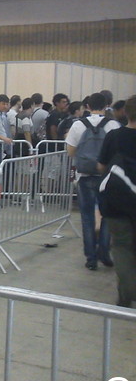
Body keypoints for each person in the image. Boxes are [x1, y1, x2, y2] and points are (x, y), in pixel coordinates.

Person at [67, 93, 118, 271]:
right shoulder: (113, 125)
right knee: (106, 216)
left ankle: (91, 258)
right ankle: (104, 252)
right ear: (106, 105)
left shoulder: (78, 125)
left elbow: (70, 151)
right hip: (106, 176)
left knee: (87, 217)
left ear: (87, 106)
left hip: (84, 175)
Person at [98, 95, 136, 307]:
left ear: (126, 112)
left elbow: (101, 166)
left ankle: (126, 292)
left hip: (117, 201)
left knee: (121, 246)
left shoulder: (114, 136)